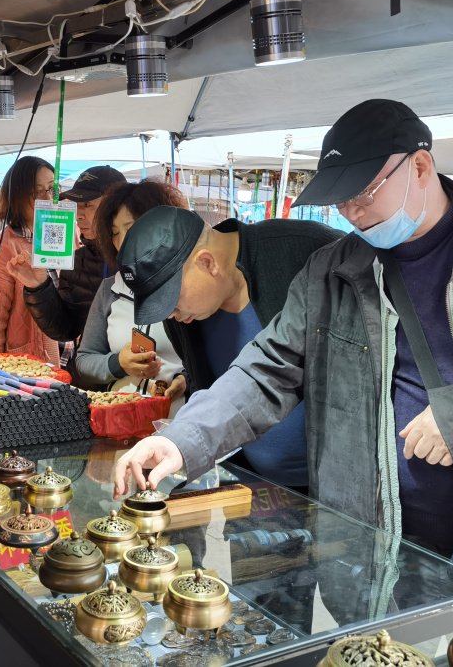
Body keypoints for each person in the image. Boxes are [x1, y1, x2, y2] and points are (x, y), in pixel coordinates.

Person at [113, 98, 453, 630]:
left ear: (419, 166)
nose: (351, 213)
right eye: (340, 202)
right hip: (380, 544)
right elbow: (267, 369)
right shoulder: (332, 271)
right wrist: (183, 439)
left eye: (362, 195)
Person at [115, 204, 343, 489]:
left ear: (208, 263)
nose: (170, 314)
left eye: (171, 300)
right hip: (248, 486)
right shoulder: (185, 315)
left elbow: (270, 373)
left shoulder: (307, 253)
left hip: (331, 489)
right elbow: (218, 383)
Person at [75, 181, 187, 402]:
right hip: (121, 417)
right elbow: (84, 360)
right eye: (115, 233)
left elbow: (217, 362)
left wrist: (187, 379)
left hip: (179, 421)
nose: (124, 241)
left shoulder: (190, 290)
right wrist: (118, 364)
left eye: (131, 227)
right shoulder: (110, 289)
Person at [6, 165, 127, 345]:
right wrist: (38, 287)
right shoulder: (78, 260)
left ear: (116, 207)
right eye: (77, 206)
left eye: (87, 205)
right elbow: (66, 329)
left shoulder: (141, 257)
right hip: (89, 368)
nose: (78, 215)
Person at [0, 156, 60, 365]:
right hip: (26, 366)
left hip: (66, 358)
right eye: (36, 192)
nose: (47, 197)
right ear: (17, 197)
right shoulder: (4, 247)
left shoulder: (63, 238)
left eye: (52, 188)